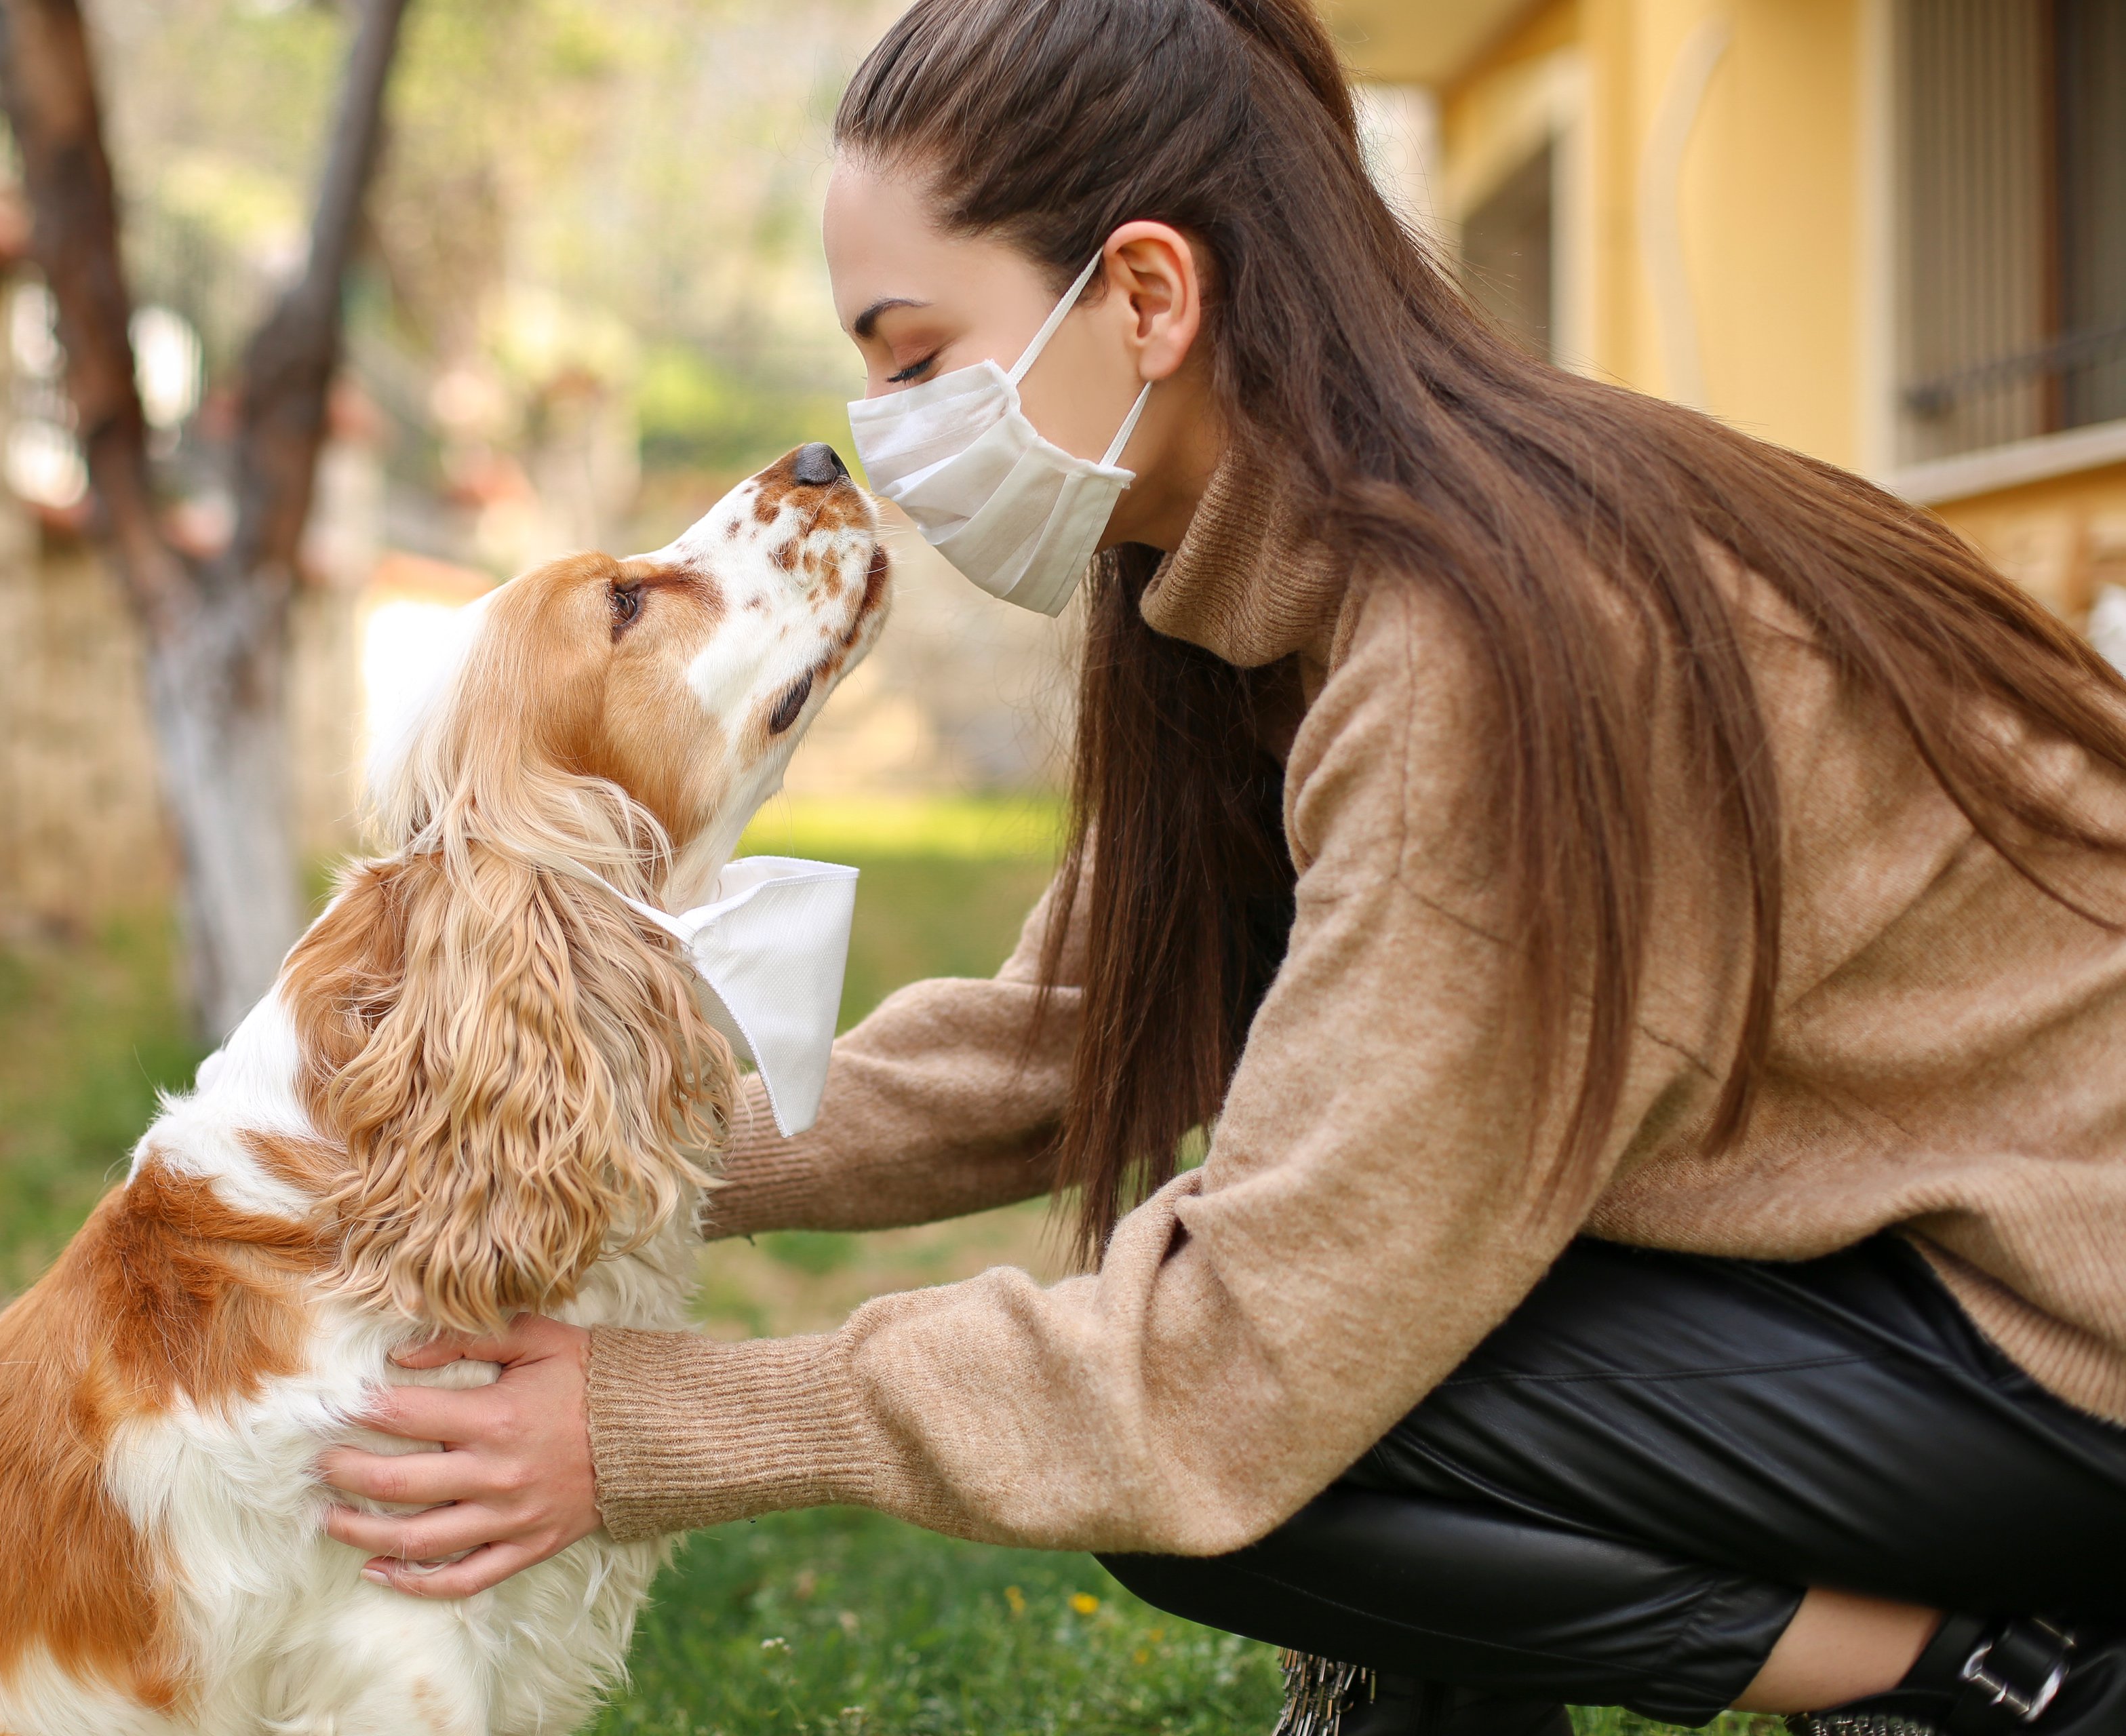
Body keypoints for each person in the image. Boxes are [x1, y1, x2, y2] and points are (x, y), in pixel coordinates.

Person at [315, 1, 2126, 1730]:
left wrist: (671, 1424)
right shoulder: (1269, 588)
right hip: (1902, 1277)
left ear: (1150, 295)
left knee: (1261, 1422)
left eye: (915, 353)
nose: (880, 433)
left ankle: (2002, 1677)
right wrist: (540, 1138)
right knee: (1316, 1330)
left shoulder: (1479, 660)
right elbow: (1072, 1032)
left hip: (2066, 1339)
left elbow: (1240, 1367)